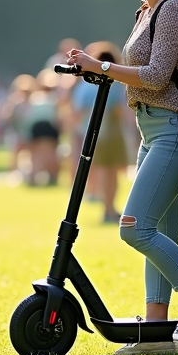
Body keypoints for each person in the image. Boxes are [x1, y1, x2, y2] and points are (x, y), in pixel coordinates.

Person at [67, 0, 178, 355]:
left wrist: (103, 67)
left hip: (173, 129)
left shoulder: (173, 10)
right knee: (161, 230)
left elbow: (156, 75)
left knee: (135, 227)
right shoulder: (145, 12)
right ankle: (156, 332)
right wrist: (95, 70)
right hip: (150, 130)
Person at [69, 42, 128, 224]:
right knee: (113, 172)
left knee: (102, 171)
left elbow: (77, 113)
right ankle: (110, 207)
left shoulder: (85, 86)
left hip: (94, 131)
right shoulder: (117, 84)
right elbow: (120, 110)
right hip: (112, 130)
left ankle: (107, 208)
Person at [27, 69, 62, 186]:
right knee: (51, 154)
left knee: (36, 155)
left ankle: (33, 177)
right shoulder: (55, 99)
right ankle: (53, 176)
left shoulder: (34, 97)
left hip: (36, 128)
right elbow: (57, 118)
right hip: (48, 127)